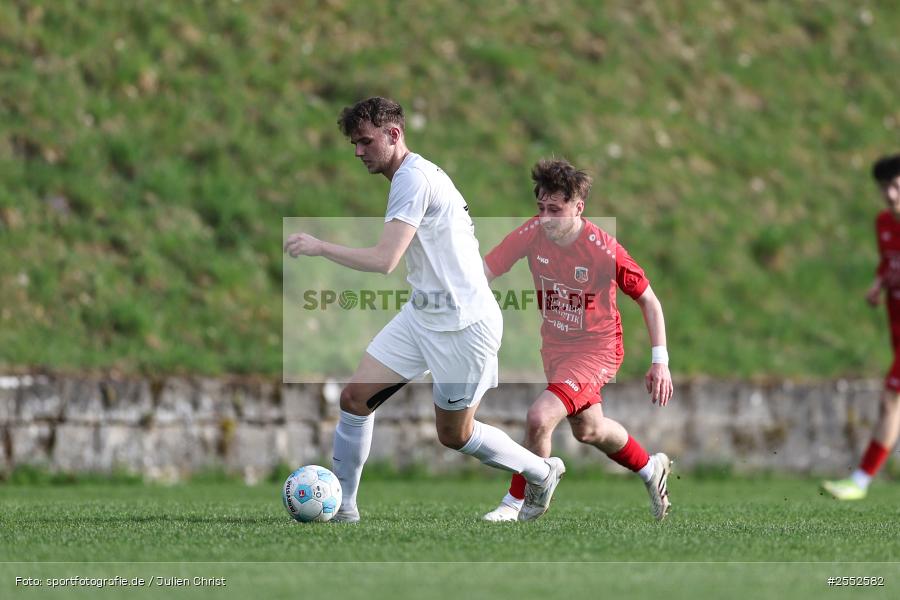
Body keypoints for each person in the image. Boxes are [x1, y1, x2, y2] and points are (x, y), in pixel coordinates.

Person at [284, 97, 564, 522]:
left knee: (455, 435)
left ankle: (540, 471)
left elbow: (385, 260)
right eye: (354, 144)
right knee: (355, 398)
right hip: (422, 316)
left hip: (464, 327)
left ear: (393, 135)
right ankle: (343, 508)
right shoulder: (412, 176)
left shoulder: (413, 179)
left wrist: (319, 246)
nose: (358, 152)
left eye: (365, 142)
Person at [480, 158, 675, 522]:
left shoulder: (602, 249)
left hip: (596, 350)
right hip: (555, 348)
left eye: (555, 209)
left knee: (540, 417)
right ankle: (651, 469)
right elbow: (484, 272)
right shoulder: (531, 233)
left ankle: (516, 503)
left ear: (578, 207)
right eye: (540, 208)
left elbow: (649, 299)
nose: (545, 217)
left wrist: (659, 361)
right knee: (590, 430)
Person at [823, 154, 900, 500]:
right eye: (886, 188)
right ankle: (861, 480)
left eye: (897, 187)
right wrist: (877, 283)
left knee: (890, 400)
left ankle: (861, 480)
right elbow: (888, 262)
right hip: (895, 325)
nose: (891, 195)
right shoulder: (883, 223)